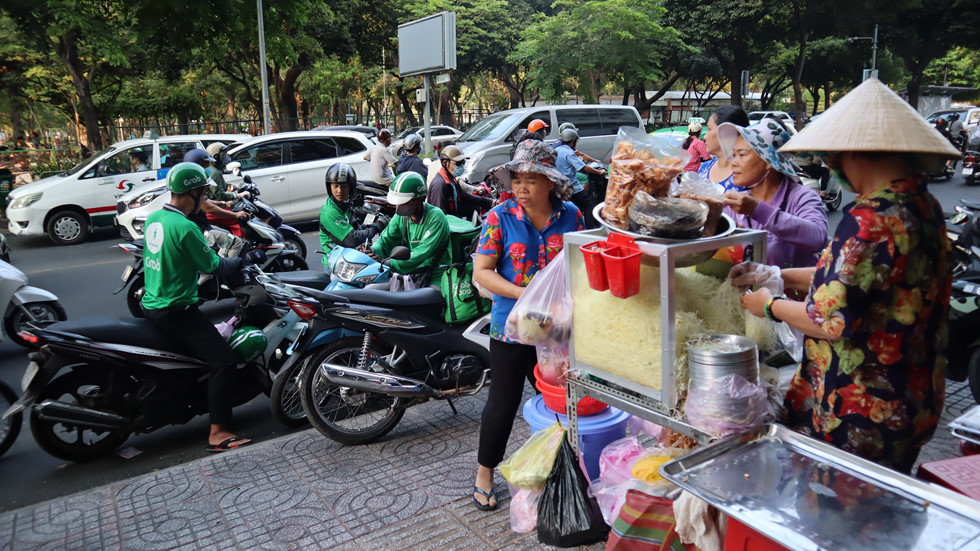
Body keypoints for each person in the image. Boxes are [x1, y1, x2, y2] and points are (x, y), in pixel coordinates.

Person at [733, 78, 957, 473]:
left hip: (860, 408)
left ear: (851, 151)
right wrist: (777, 274)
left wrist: (768, 304)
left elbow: (828, 322)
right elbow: (853, 282)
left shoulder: (869, 218)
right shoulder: (923, 205)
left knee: (839, 519)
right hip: (910, 400)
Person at [471, 139, 586, 510]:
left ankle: (563, 470)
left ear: (551, 182)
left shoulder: (572, 216)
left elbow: (579, 269)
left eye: (531, 180)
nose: (520, 188)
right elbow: (483, 273)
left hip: (558, 331)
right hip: (512, 329)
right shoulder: (500, 217)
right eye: (516, 179)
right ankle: (485, 472)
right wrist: (526, 293)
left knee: (559, 403)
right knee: (502, 403)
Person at [141, 162, 264, 452]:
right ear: (192, 193)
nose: (204, 200)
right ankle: (218, 432)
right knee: (223, 361)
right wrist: (246, 258)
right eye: (202, 194)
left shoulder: (154, 218)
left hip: (152, 303)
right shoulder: (185, 227)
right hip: (176, 310)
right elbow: (214, 265)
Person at [718, 119, 828, 269]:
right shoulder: (734, 205)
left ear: (768, 160)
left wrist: (757, 210)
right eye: (734, 155)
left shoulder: (801, 197)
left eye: (742, 155)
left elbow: (818, 238)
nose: (734, 163)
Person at [370, 172, 451, 287]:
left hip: (434, 277)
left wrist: (388, 262)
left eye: (404, 202)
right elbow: (385, 241)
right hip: (410, 274)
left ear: (420, 199)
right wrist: (372, 252)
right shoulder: (401, 216)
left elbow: (420, 254)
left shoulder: (436, 218)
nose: (399, 206)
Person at [319, 163, 386, 269]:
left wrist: (375, 224)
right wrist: (376, 227)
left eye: (344, 186)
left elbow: (356, 229)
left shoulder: (344, 205)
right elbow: (352, 239)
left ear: (351, 187)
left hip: (348, 259)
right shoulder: (330, 212)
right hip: (338, 266)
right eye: (335, 186)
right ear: (329, 187)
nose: (339, 191)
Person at [182, 149, 250, 233]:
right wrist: (235, 212)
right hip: (201, 224)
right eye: (206, 163)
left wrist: (225, 201)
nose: (208, 166)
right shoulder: (195, 184)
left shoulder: (212, 173)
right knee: (236, 241)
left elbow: (210, 196)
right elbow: (211, 206)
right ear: (199, 164)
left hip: (205, 217)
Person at [555, 127, 605, 228]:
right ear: (573, 141)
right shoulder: (569, 153)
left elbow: (581, 156)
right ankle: (590, 230)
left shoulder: (557, 149)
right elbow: (583, 168)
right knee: (589, 205)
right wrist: (599, 172)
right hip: (572, 187)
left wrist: (594, 160)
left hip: (559, 186)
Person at [427, 145, 492, 221]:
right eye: (458, 163)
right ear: (445, 163)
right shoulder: (439, 185)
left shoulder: (452, 180)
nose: (461, 166)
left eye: (462, 162)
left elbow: (465, 196)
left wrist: (490, 202)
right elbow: (439, 217)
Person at [698, 106, 751, 191]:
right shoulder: (704, 168)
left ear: (725, 132)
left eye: (709, 129)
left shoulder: (745, 175)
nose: (705, 137)